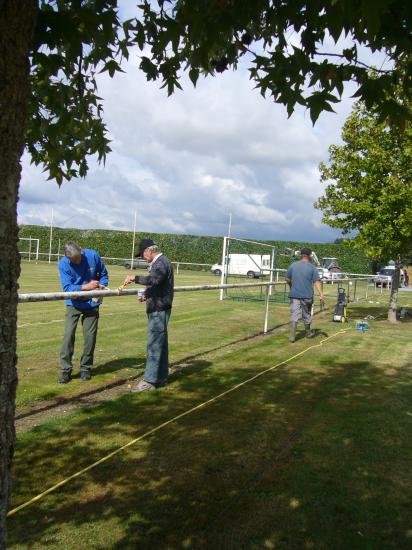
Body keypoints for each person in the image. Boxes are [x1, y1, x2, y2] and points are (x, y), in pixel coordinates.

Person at [124, 238, 174, 392]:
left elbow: (154, 279)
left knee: (154, 345)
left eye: (143, 255)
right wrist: (147, 295)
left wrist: (135, 278)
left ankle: (149, 381)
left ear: (150, 251)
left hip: (159, 310)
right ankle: (161, 377)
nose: (143, 258)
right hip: (159, 307)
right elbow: (157, 285)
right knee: (161, 344)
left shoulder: (160, 262)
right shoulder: (161, 262)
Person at [58, 241, 108, 383]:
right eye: (74, 260)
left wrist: (101, 287)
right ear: (68, 258)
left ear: (82, 251)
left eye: (79, 257)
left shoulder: (93, 255)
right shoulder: (63, 264)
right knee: (68, 337)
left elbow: (103, 274)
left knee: (90, 337)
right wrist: (86, 286)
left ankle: (86, 368)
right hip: (73, 303)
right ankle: (65, 370)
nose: (78, 261)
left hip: (92, 304)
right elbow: (67, 288)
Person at [285, 248, 324, 343]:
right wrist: (321, 294)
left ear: (301, 255)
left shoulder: (293, 265)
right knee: (306, 315)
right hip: (307, 296)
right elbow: (317, 281)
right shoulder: (312, 267)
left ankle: (292, 337)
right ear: (310, 256)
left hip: (294, 295)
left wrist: (291, 286)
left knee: (295, 315)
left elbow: (287, 279)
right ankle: (308, 333)